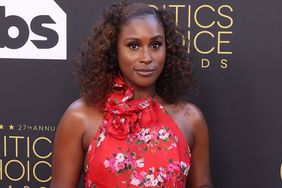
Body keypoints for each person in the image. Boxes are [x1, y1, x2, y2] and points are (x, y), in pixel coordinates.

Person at [50, 1, 212, 188]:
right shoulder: (80, 117)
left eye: (156, 45)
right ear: (114, 49)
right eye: (133, 46)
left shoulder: (190, 119)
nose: (147, 57)